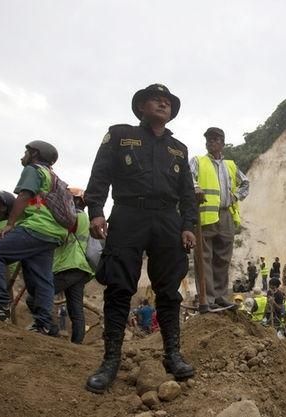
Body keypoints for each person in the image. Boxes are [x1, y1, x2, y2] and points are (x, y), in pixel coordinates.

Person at [84, 84, 198, 393]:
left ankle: (173, 354)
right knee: (120, 286)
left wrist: (188, 225)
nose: (163, 103)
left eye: (168, 102)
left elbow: (187, 193)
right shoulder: (120, 135)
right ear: (141, 107)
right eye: (156, 100)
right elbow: (100, 174)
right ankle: (110, 361)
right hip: (127, 215)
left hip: (167, 220)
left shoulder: (179, 149)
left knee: (169, 290)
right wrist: (96, 210)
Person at [0, 141, 67, 334]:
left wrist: (10, 224)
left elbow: (24, 196)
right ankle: (44, 323)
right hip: (53, 233)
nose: (22, 156)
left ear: (34, 154)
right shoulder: (53, 176)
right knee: (42, 278)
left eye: (26, 152)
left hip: (36, 227)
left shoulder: (34, 169)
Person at [190, 126, 249, 309]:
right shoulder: (198, 161)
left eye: (216, 139)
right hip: (206, 215)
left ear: (222, 143)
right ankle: (207, 298)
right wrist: (195, 188)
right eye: (209, 139)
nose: (211, 142)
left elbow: (245, 182)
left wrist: (235, 196)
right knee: (204, 257)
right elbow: (188, 177)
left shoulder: (230, 165)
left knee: (223, 258)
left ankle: (221, 296)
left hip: (226, 215)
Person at [49, 187, 93, 344]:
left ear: (76, 200)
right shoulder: (84, 218)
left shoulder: (75, 216)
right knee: (76, 309)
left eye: (68, 198)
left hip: (69, 265)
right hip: (80, 267)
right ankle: (76, 344)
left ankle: (50, 330)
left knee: (37, 297)